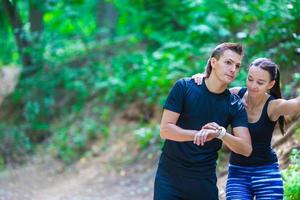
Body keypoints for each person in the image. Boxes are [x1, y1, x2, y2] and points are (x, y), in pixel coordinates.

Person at [154, 43, 252, 200]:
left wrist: (221, 134)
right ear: (213, 62)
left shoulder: (234, 104)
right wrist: (199, 134)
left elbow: (246, 148)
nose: (233, 69)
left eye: (237, 65)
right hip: (170, 178)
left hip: (204, 182)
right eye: (228, 62)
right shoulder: (184, 87)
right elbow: (165, 130)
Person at [193, 58, 300, 199]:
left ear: (271, 84)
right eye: (250, 79)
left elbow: (297, 103)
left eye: (260, 83)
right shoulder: (235, 95)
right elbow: (211, 93)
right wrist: (203, 78)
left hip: (266, 172)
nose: (253, 85)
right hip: (238, 174)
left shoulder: (273, 106)